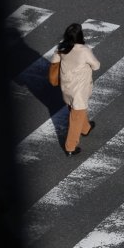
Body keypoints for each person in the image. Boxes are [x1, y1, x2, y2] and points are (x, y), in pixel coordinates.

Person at [48, 22, 99, 157]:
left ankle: (86, 128)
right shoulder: (84, 50)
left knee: (75, 110)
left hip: (66, 87)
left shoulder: (62, 47)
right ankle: (70, 146)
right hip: (79, 90)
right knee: (76, 116)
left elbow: (54, 61)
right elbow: (96, 66)